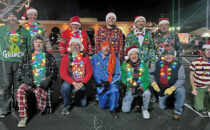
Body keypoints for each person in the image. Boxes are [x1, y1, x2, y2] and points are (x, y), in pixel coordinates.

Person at [16, 34, 58, 127]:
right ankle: (24, 118)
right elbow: (19, 72)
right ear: (33, 44)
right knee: (20, 90)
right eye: (36, 42)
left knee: (42, 108)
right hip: (30, 84)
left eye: (40, 42)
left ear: (43, 44)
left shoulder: (49, 57)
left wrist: (49, 79)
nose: (38, 44)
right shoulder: (26, 57)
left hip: (43, 85)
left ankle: (40, 106)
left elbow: (55, 72)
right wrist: (24, 79)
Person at [0, 12, 30, 118]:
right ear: (6, 18)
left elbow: (29, 47)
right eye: (9, 16)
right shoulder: (1, 29)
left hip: (21, 62)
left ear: (17, 19)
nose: (12, 18)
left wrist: (28, 61)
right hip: (4, 61)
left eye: (14, 16)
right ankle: (4, 108)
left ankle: (18, 106)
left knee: (18, 86)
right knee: (5, 86)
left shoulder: (24, 31)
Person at [149, 46, 185, 120]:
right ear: (163, 56)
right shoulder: (158, 63)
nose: (168, 56)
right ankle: (169, 100)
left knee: (181, 91)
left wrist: (173, 88)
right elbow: (149, 73)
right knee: (162, 107)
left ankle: (177, 111)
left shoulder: (179, 65)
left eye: (170, 55)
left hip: (174, 88)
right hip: (162, 89)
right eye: (166, 55)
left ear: (173, 55)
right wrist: (153, 83)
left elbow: (182, 79)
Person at [60, 38, 93, 115]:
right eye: (72, 45)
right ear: (70, 47)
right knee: (65, 87)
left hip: (81, 81)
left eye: (77, 44)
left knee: (83, 104)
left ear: (80, 46)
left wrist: (82, 83)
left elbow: (89, 72)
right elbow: (63, 73)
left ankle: (75, 98)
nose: (74, 46)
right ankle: (66, 105)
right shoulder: (66, 57)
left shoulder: (85, 57)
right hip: (70, 80)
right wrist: (74, 83)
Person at [91, 41, 121, 119]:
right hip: (99, 85)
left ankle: (113, 109)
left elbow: (118, 75)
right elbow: (89, 70)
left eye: (108, 46)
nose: (106, 48)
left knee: (115, 90)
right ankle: (103, 98)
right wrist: (93, 82)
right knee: (103, 106)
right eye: (104, 46)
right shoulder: (94, 58)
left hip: (110, 83)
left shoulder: (114, 59)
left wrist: (110, 82)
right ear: (101, 47)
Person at [121, 46, 151, 119]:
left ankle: (145, 109)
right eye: (132, 54)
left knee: (147, 93)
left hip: (140, 88)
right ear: (129, 56)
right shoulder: (124, 65)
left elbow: (147, 81)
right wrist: (129, 85)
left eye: (135, 54)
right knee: (125, 110)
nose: (134, 56)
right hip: (130, 89)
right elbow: (123, 78)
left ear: (138, 55)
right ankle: (135, 101)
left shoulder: (143, 65)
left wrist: (141, 89)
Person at [190, 40, 210, 117]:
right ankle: (197, 105)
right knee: (198, 108)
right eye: (208, 50)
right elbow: (191, 75)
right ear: (204, 51)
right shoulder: (196, 62)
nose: (209, 52)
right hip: (199, 86)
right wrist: (193, 88)